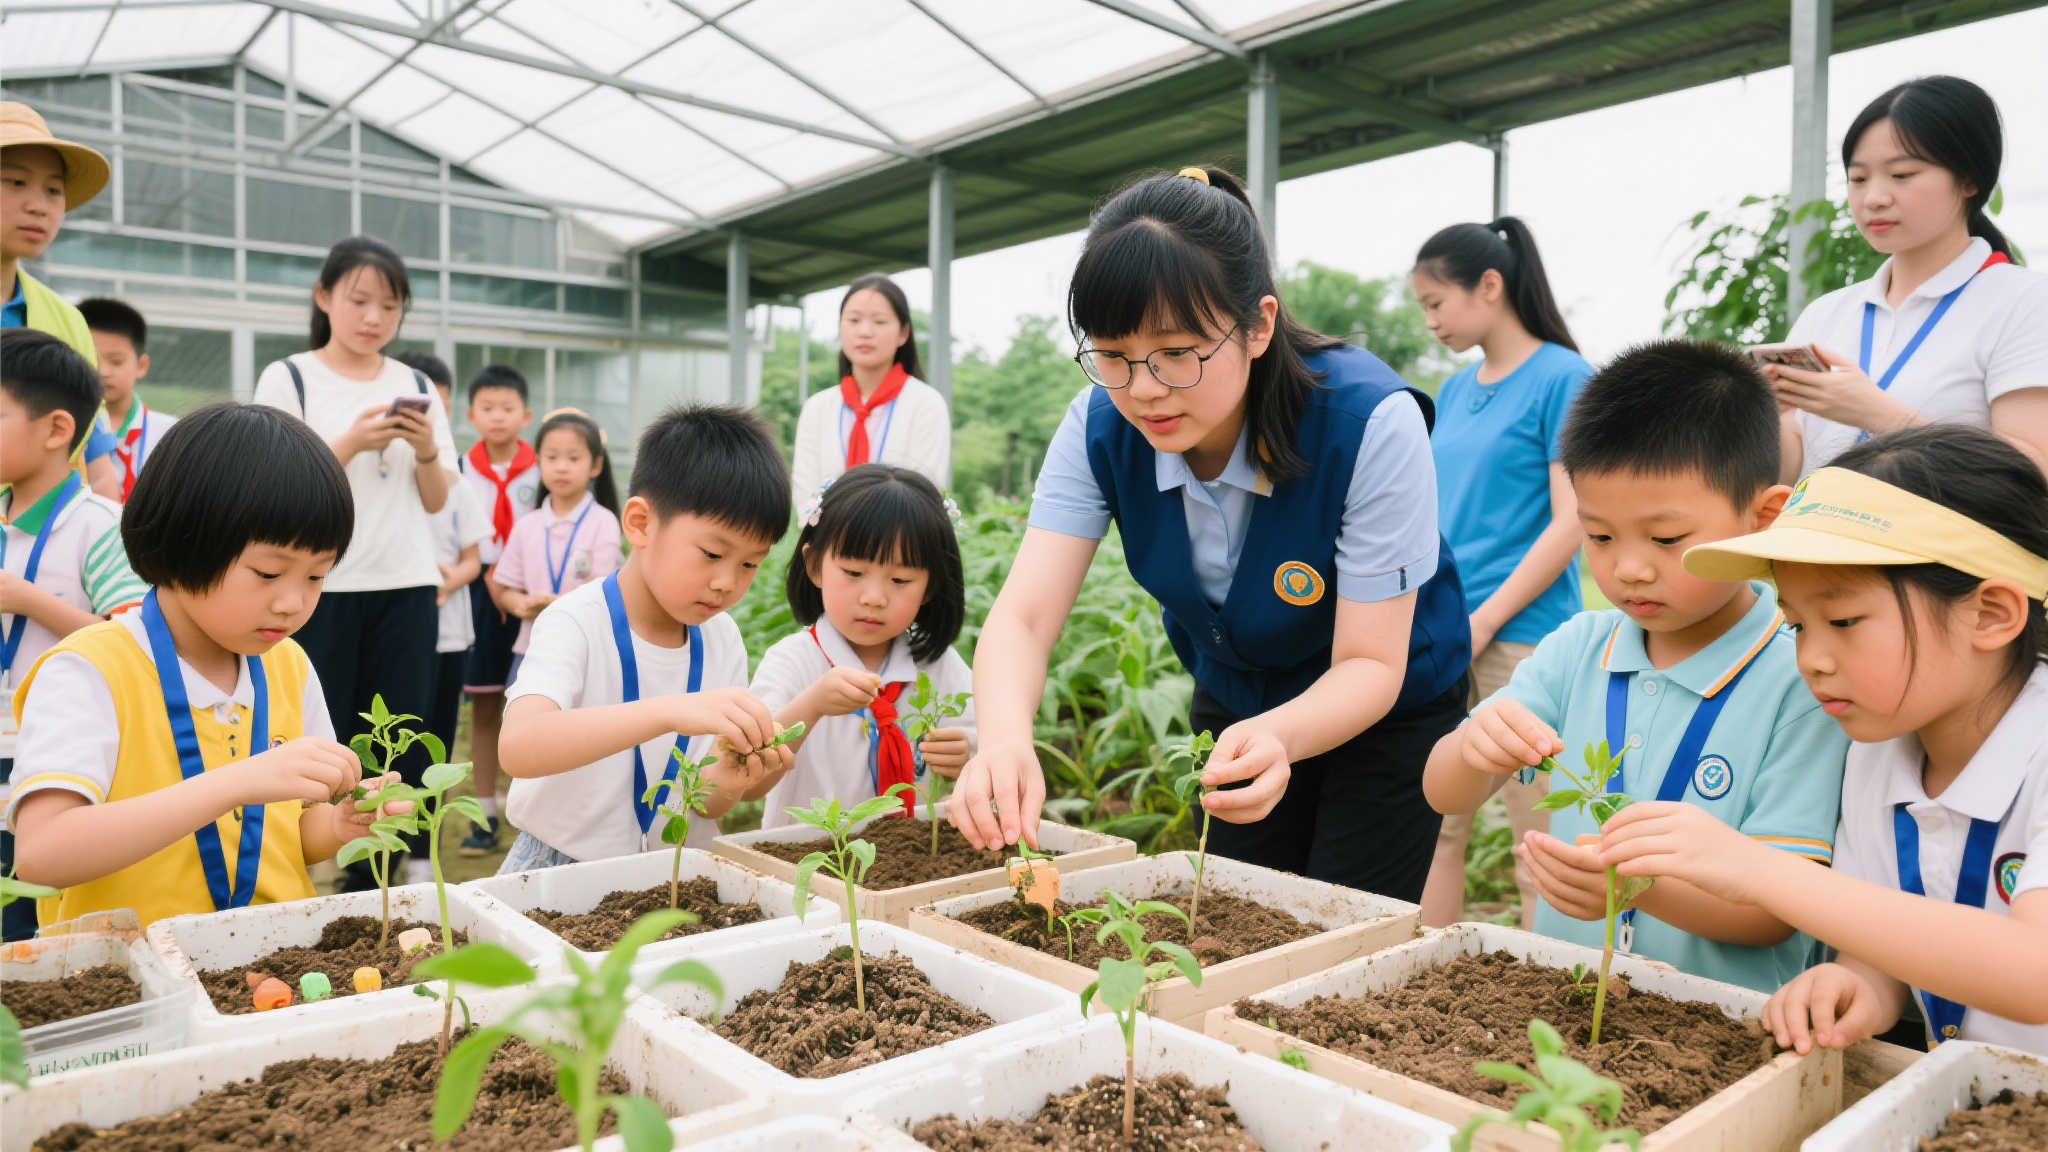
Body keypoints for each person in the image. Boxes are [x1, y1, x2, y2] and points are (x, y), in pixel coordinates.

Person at [950, 165, 1470, 904]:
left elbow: (1370, 665)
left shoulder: (1368, 422)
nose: (1145, 388)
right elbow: (1026, 616)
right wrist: (1002, 738)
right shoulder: (1099, 425)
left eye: (1176, 351)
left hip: (1386, 707)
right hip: (1239, 697)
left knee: (1343, 925)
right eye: (1113, 354)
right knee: (1233, 911)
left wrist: (1281, 737)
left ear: (1258, 325)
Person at [1600, 424, 2048, 1055]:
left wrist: (1757, 870)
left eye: (1843, 620)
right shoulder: (1877, 749)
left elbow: (2034, 972)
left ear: (1992, 613)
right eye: (1799, 623)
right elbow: (1883, 943)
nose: (1810, 658)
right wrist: (1858, 985)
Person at [1424, 340, 1849, 993]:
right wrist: (1472, 749)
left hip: (1721, 1029)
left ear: (1763, 519)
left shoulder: (1803, 677)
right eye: (1598, 536)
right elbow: (1441, 793)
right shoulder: (1577, 648)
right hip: (1567, 1002)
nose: (1629, 568)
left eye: (1667, 539)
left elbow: (1777, 913)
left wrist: (1638, 888)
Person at [7, 403, 408, 930]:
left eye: (316, 577)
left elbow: (290, 834)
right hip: (127, 977)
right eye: (268, 573)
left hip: (270, 963)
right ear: (183, 541)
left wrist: (338, 823)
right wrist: (235, 782)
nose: (293, 602)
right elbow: (42, 855)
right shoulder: (90, 669)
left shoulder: (286, 665)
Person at [495, 406, 796, 871]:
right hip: (559, 866)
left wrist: (736, 776)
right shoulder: (576, 621)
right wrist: (668, 711)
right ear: (639, 523)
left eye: (749, 564)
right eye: (712, 553)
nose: (726, 582)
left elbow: (706, 804)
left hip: (673, 871)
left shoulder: (721, 638)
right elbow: (519, 746)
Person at [252, 235, 456, 892]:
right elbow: (274, 487)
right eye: (359, 300)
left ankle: (377, 886)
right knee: (321, 733)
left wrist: (426, 451)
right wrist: (349, 441)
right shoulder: (288, 378)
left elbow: (435, 499)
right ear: (324, 298)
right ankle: (305, 871)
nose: (373, 318)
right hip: (321, 587)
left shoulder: (416, 384)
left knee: (400, 736)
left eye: (389, 307)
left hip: (405, 585)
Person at [1413, 217, 1595, 929]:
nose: (1430, 322)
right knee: (1432, 825)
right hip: (1447, 635)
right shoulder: (1453, 393)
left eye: (1436, 303)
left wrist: (1486, 619)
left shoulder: (1564, 378)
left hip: (1524, 642)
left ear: (1489, 286)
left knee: (1541, 839)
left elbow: (1573, 520)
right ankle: (1418, 977)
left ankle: (1557, 1010)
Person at [1771, 76, 2048, 481]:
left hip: (1945, 544)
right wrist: (1765, 415)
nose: (1874, 198)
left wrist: (1878, 415)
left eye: (1901, 175)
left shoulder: (2025, 302)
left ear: (1969, 180)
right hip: (1823, 539)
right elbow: (1787, 471)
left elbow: (2035, 469)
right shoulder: (1827, 313)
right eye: (1858, 178)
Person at [0, 331, 148, 939]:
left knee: (24, 925)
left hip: (48, 759)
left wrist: (28, 600)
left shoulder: (99, 527)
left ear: (57, 429)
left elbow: (131, 643)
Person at [751, 464, 975, 828]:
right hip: (809, 864)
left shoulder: (941, 668)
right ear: (815, 565)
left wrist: (966, 755)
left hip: (912, 866)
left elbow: (984, 745)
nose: (874, 598)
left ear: (930, 586)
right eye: (853, 573)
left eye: (900, 579)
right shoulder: (792, 663)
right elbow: (749, 776)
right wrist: (812, 705)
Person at [395, 350, 487, 881]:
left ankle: (422, 854)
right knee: (391, 742)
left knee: (434, 742)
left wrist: (445, 579)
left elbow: (473, 559)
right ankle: (385, 849)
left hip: (447, 634)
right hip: (395, 632)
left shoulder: (455, 484)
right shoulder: (376, 480)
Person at [0, 101, 122, 501]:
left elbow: (95, 465)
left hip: (36, 554)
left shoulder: (67, 321)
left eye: (53, 190)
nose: (39, 205)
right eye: (15, 182)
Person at [456, 364, 536, 856]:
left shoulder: (544, 468)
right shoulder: (460, 470)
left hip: (533, 596)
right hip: (479, 594)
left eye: (507, 408)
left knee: (538, 705)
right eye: (488, 408)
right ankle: (483, 814)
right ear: (471, 415)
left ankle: (534, 814)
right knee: (485, 705)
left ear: (525, 415)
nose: (498, 417)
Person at [790, 273, 951, 503]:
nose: (865, 332)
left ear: (903, 333)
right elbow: (806, 494)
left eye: (879, 321)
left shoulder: (926, 404)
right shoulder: (817, 407)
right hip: (826, 538)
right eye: (854, 320)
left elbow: (925, 491)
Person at [489, 409, 622, 674]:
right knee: (523, 715)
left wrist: (556, 604)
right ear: (539, 462)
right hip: (532, 649)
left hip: (586, 650)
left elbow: (604, 588)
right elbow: (505, 590)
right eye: (551, 457)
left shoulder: (604, 521)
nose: (561, 466)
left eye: (573, 458)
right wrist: (522, 605)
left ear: (595, 465)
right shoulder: (527, 526)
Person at [80, 297, 175, 502]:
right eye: (91, 359)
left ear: (142, 365)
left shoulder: (171, 434)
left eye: (116, 361)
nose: (103, 371)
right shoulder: (60, 431)